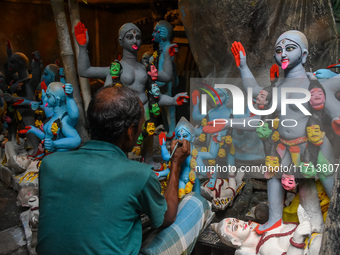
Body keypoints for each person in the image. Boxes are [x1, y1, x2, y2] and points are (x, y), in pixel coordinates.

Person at [204, 30, 339, 233]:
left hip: (314, 146)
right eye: (278, 50)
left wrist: (336, 75)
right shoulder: (275, 88)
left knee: (331, 184)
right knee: (273, 176)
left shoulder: (316, 85)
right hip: (284, 146)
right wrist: (243, 67)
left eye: (289, 48)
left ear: (303, 55)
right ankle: (275, 220)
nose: (283, 53)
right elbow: (255, 95)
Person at [37, 85, 190, 254]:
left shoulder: (49, 164)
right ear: (131, 131)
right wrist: (176, 164)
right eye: (140, 126)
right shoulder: (139, 174)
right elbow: (167, 218)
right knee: (195, 206)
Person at [212, 215, 322, 255]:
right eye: (235, 227)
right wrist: (297, 240)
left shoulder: (264, 227)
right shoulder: (265, 248)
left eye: (236, 220)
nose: (240, 223)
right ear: (235, 241)